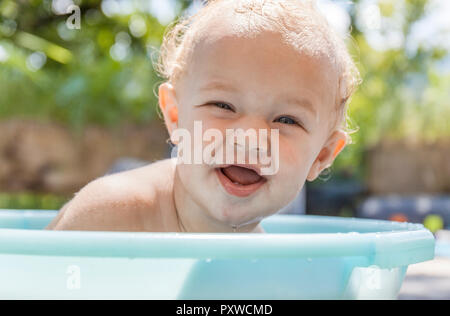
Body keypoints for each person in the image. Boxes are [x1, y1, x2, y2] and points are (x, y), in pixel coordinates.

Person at [46, 0, 360, 233]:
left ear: (321, 155)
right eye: (223, 105)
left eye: (287, 120)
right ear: (175, 114)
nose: (249, 139)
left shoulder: (268, 267)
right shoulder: (109, 217)